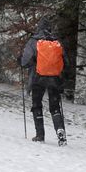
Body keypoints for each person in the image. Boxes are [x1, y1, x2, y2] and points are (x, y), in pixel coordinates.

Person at [19, 16, 68, 146]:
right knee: (55, 106)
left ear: (38, 28)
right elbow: (66, 62)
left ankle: (40, 135)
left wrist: (23, 61)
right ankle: (60, 131)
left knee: (37, 104)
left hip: (38, 78)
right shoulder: (57, 42)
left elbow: (25, 62)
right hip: (54, 79)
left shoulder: (33, 41)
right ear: (49, 28)